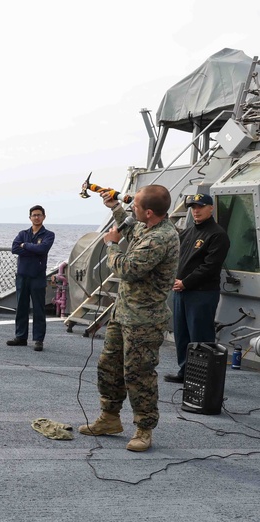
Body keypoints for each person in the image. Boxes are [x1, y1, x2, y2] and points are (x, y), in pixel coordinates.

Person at [78, 185, 179, 452]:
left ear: (148, 212)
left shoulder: (161, 238)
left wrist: (111, 244)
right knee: (108, 367)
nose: (131, 208)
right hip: (123, 314)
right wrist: (115, 208)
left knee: (139, 374)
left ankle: (144, 429)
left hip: (145, 320)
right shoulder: (147, 227)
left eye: (134, 206)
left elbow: (128, 268)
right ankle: (109, 418)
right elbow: (132, 228)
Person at [164, 193, 230, 383]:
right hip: (181, 291)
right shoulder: (188, 232)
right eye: (193, 207)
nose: (196, 210)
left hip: (202, 293)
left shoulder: (217, 235)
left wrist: (186, 282)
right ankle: (185, 372)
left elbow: (210, 267)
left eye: (200, 207)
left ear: (211, 208)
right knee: (182, 334)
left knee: (200, 336)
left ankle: (202, 377)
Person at [7, 205, 54, 351]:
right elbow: (14, 249)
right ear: (30, 217)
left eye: (39, 215)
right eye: (34, 215)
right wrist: (32, 249)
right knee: (21, 307)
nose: (36, 217)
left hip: (37, 276)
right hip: (22, 276)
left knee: (39, 309)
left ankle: (38, 340)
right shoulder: (23, 233)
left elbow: (43, 249)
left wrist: (25, 246)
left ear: (44, 217)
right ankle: (21, 337)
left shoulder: (48, 234)